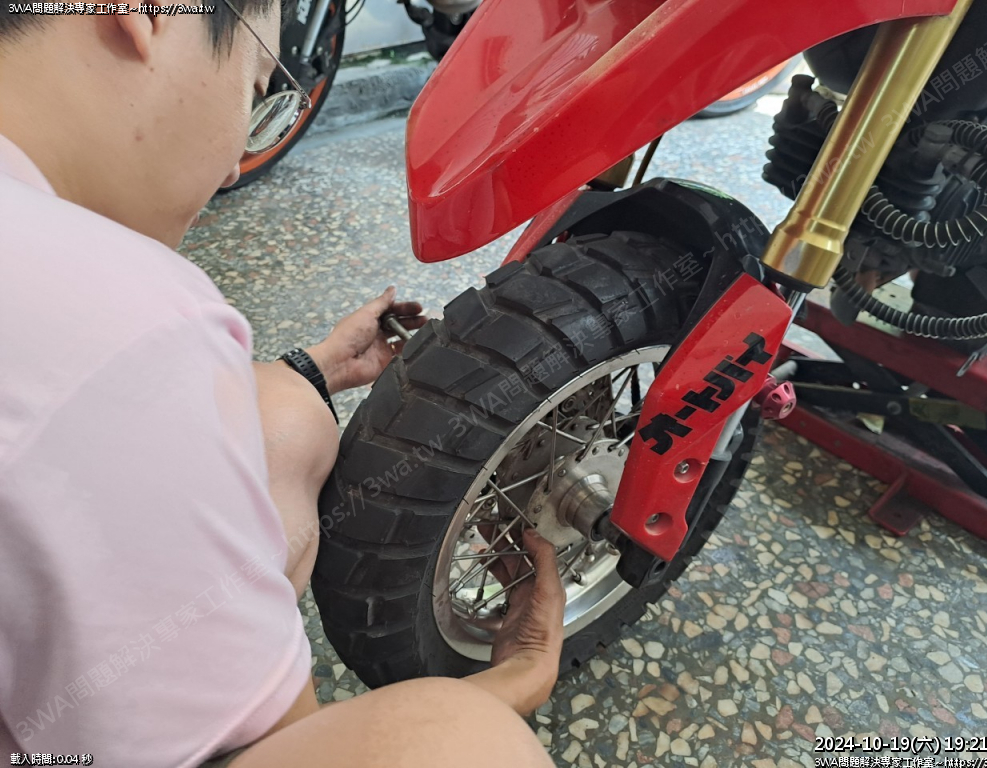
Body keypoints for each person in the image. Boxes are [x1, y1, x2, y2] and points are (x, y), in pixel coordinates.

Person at [0, 2, 566, 766]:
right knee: (463, 742)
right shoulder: (119, 314)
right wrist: (521, 675)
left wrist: (315, 368)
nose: (236, 163)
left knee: (284, 414)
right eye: (257, 88)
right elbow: (283, 749)